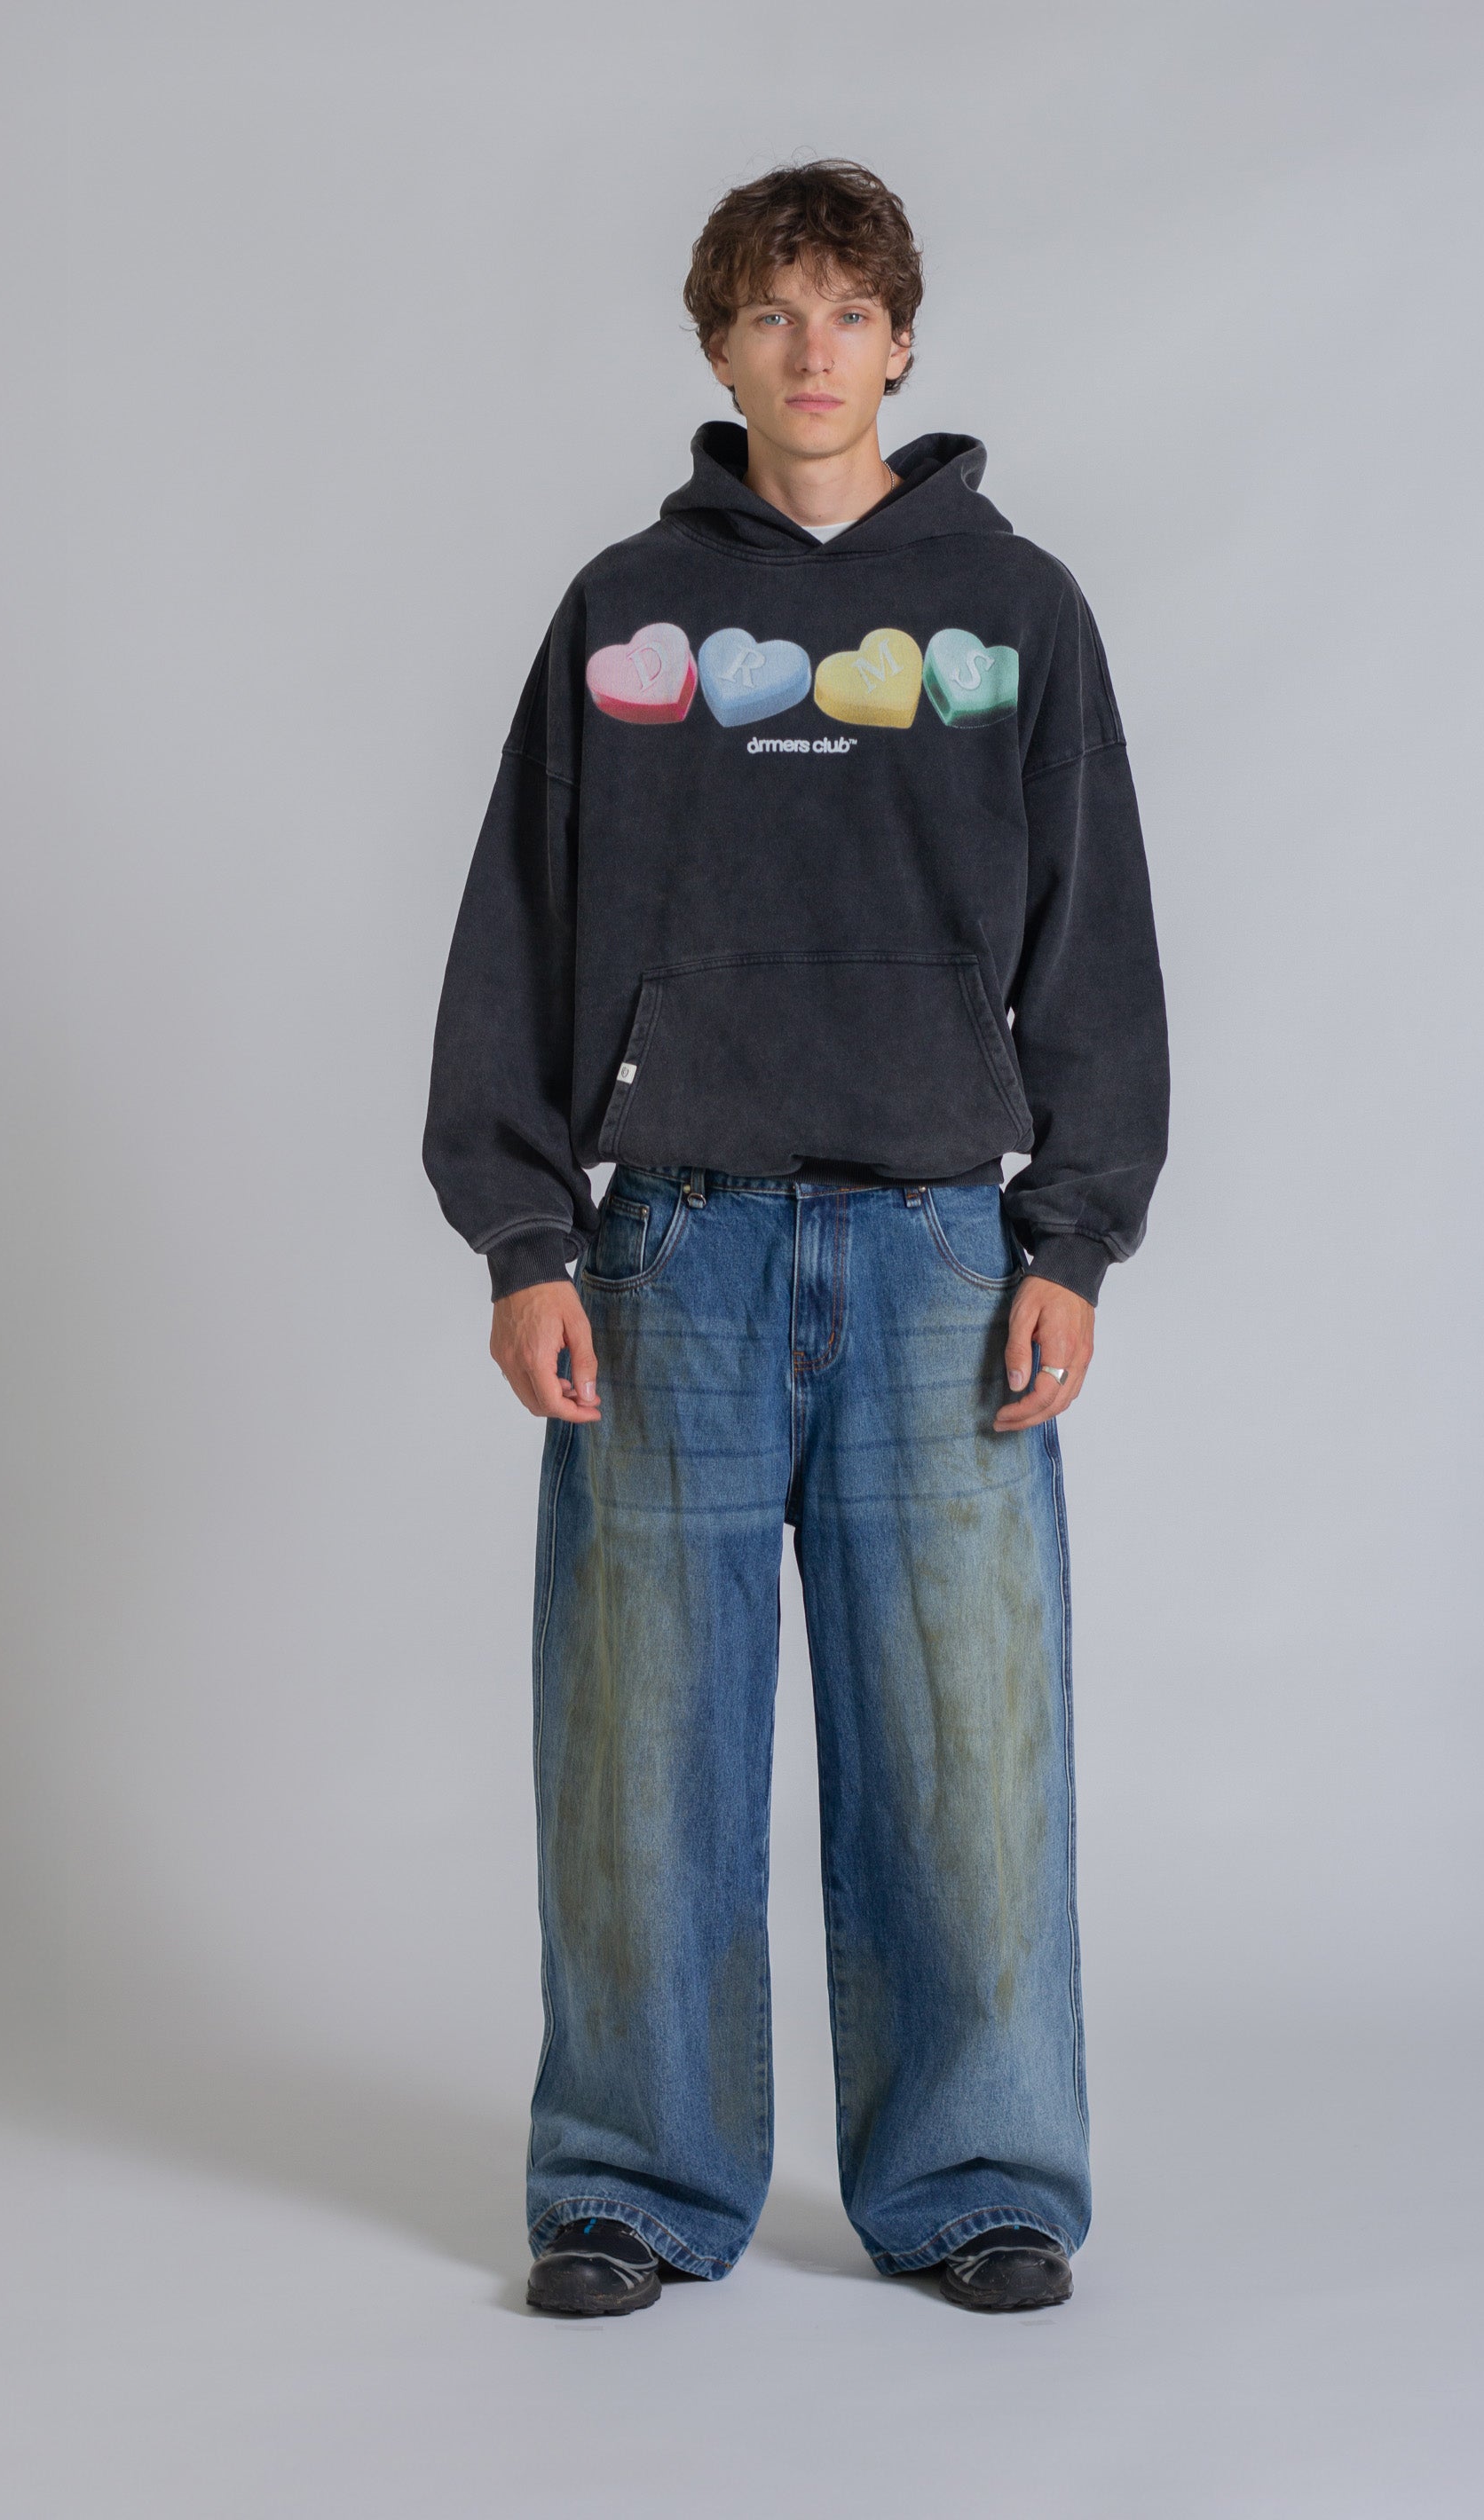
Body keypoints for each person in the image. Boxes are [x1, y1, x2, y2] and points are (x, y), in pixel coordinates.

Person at [423, 160, 1168, 2316]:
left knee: (966, 1744)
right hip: (673, 1252)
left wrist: (1070, 1238)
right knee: (640, 1745)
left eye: (848, 311)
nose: (812, 350)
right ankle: (630, 2183)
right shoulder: (627, 615)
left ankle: (980, 2174)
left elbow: (1094, 941)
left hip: (944, 1252)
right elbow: (519, 930)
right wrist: (525, 1237)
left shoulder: (1014, 615)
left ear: (904, 341)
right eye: (771, 314)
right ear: (720, 347)